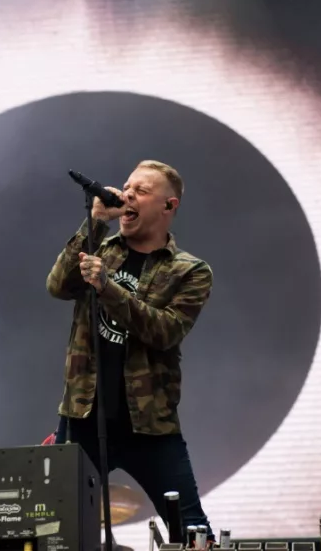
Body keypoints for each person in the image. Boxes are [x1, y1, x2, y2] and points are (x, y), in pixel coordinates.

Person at [46, 159, 215, 543]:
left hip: (149, 425)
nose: (126, 195)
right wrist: (94, 222)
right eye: (126, 186)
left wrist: (108, 288)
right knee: (52, 529)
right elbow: (57, 285)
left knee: (191, 530)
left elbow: (166, 331)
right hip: (83, 417)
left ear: (168, 206)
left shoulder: (190, 271)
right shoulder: (101, 247)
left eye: (140, 190)